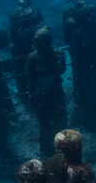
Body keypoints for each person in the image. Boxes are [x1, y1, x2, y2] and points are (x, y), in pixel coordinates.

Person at [27, 27, 69, 156]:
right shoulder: (35, 57)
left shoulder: (35, 57)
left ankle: (59, 148)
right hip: (44, 95)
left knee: (57, 120)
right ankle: (49, 150)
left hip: (50, 94)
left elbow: (30, 79)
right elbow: (30, 79)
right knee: (46, 122)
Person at [8, 0, 45, 105]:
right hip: (37, 46)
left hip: (22, 50)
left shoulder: (14, 15)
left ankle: (26, 98)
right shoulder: (36, 10)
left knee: (23, 72)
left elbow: (13, 35)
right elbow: (41, 27)